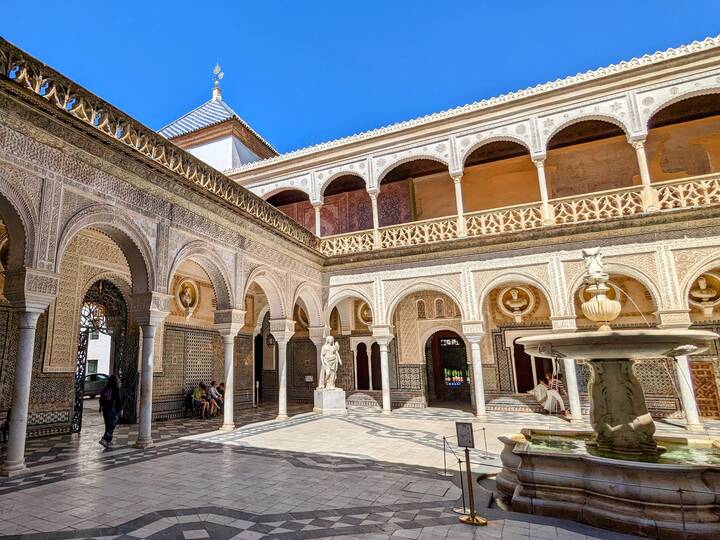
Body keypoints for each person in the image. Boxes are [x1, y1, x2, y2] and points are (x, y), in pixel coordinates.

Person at [98, 374, 122, 448]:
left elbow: (101, 398)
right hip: (112, 409)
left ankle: (108, 440)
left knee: (108, 424)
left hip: (105, 409)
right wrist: (121, 409)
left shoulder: (106, 388)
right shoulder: (115, 388)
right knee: (111, 425)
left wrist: (101, 407)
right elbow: (118, 399)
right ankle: (104, 439)